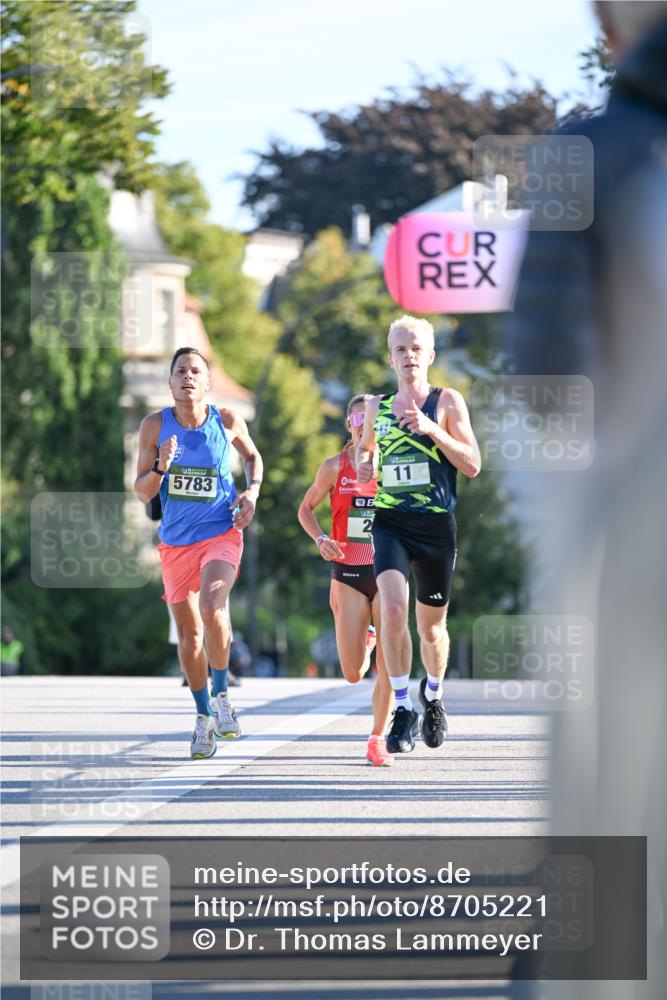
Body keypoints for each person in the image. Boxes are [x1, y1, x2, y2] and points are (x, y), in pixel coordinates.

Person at [356, 316, 480, 754]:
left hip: (435, 527)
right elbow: (365, 452)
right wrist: (364, 464)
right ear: (390, 358)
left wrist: (432, 430)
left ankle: (434, 695)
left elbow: (472, 463)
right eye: (400, 350)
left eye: (415, 349)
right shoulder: (377, 407)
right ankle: (403, 706)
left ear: (430, 355)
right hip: (390, 522)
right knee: (391, 610)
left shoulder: (447, 401)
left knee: (432, 631)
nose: (408, 356)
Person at [134, 346, 262, 759]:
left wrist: (252, 492)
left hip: (221, 532)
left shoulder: (226, 420)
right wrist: (159, 468)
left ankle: (223, 695)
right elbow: (141, 491)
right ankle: (204, 716)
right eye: (180, 371)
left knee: (212, 607)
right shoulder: (155, 426)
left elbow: (253, 457)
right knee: (189, 637)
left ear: (208, 382)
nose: (188, 377)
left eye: (195, 371)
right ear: (170, 383)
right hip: (176, 542)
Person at [298, 394, 394, 766]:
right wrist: (321, 539)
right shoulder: (332, 468)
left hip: (388, 570)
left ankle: (377, 737)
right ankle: (366, 640)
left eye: (370, 418)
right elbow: (305, 509)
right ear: (349, 425)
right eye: (357, 417)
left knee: (389, 664)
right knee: (354, 673)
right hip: (349, 573)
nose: (363, 424)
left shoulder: (391, 464)